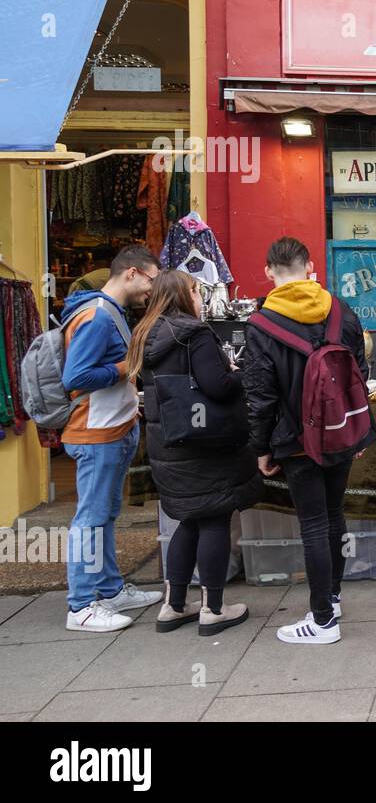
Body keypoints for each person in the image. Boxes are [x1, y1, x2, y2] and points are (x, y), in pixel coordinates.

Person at [244, 238, 376, 644]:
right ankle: (332, 598)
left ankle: (322, 622)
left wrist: (261, 448)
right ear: (310, 266)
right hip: (340, 432)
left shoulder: (261, 324)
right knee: (334, 515)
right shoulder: (340, 310)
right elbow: (360, 368)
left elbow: (260, 395)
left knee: (314, 524)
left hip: (297, 438)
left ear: (269, 271)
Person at [127, 270, 259, 634]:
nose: (201, 298)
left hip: (168, 443)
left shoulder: (147, 334)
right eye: (197, 292)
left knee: (188, 519)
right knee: (215, 517)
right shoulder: (194, 334)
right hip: (205, 444)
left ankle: (174, 604)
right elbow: (216, 387)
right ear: (184, 296)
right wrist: (238, 372)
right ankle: (213, 608)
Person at [61, 246, 165, 633]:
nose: (151, 291)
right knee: (91, 518)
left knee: (102, 515)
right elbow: (77, 377)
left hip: (111, 429)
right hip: (96, 432)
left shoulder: (108, 312)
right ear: (132, 273)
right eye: (151, 281)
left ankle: (106, 589)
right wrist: (127, 367)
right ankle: (83, 605)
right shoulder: (97, 316)